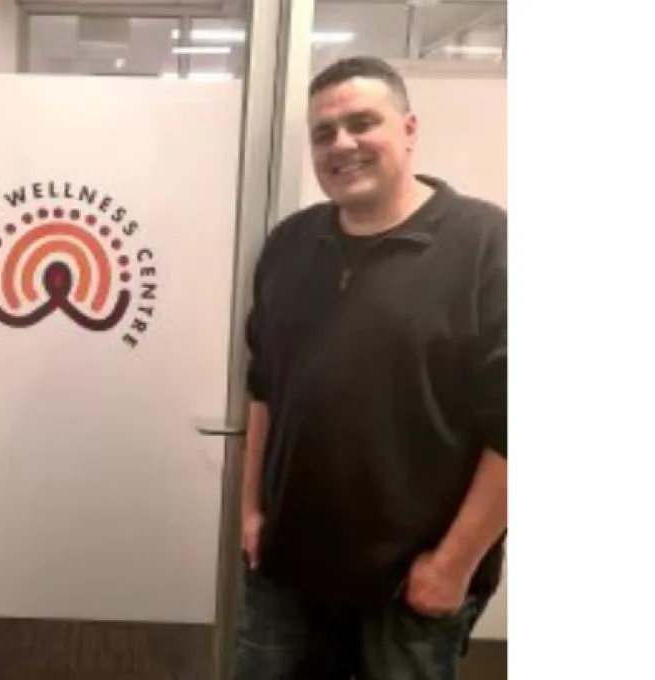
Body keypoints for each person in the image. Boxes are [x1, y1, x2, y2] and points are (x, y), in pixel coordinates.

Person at [234, 56, 507, 680]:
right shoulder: (289, 244)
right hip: (288, 573)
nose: (342, 144)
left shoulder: (489, 247)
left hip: (410, 589)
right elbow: (263, 389)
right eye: (324, 132)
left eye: (362, 123)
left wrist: (454, 566)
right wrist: (252, 513)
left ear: (409, 128)